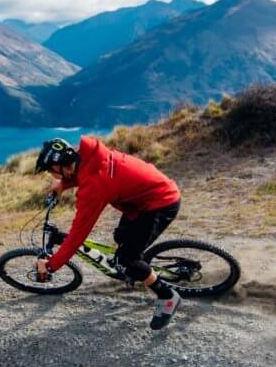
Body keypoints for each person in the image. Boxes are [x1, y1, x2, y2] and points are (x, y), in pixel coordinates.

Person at [34, 136, 182, 330]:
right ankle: (139, 269)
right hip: (144, 199)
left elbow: (78, 234)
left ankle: (167, 296)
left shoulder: (95, 186)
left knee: (126, 260)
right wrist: (63, 185)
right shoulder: (90, 156)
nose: (55, 177)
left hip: (160, 203)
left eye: (54, 173)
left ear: (63, 166)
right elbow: (86, 172)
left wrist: (52, 265)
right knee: (121, 237)